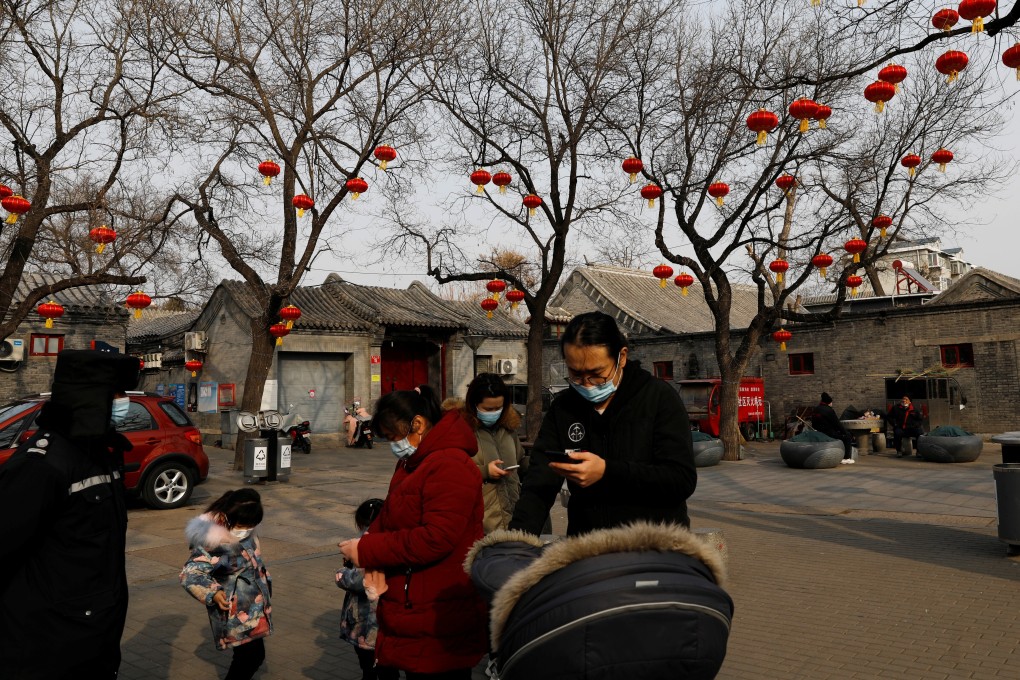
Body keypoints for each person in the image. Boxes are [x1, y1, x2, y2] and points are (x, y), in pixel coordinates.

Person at [0, 349, 139, 679]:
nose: (124, 403)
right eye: (116, 394)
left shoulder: (102, 455)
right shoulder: (42, 465)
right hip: (46, 646)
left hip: (96, 637)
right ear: (88, 397)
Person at [338, 385, 488, 679]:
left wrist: (369, 550)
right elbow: (393, 512)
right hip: (414, 599)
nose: (395, 444)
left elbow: (436, 538)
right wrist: (367, 544)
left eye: (395, 437)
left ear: (417, 424)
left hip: (438, 607)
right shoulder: (412, 462)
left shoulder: (449, 465)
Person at [508, 311, 697, 537]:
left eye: (597, 374)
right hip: (588, 548)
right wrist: (516, 541)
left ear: (622, 357)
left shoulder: (658, 399)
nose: (586, 384)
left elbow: (680, 480)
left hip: (654, 548)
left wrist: (608, 472)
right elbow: (539, 483)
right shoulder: (564, 409)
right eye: (575, 374)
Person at [181, 489, 272, 680]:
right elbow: (190, 574)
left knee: (251, 657)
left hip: (254, 608)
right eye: (242, 525)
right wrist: (212, 592)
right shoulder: (214, 543)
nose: (246, 530)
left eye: (251, 525)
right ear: (228, 516)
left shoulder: (246, 533)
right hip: (235, 612)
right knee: (251, 658)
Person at [336, 498, 398, 680]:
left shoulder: (365, 546)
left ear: (362, 523)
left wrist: (342, 573)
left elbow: (357, 580)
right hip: (390, 618)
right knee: (388, 667)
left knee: (370, 668)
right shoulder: (396, 541)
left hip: (367, 620)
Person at [463, 372, 528, 534]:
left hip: (514, 518)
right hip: (484, 525)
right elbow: (452, 473)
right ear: (473, 405)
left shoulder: (508, 429)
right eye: (488, 409)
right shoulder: (463, 432)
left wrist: (536, 463)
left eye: (499, 408)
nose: (494, 412)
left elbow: (520, 460)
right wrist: (485, 471)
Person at [811, 392, 856, 464]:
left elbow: (813, 424)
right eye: (831, 402)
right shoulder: (829, 410)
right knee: (847, 437)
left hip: (819, 432)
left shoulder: (816, 409)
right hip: (829, 433)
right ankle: (846, 458)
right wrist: (845, 432)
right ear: (829, 402)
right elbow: (837, 424)